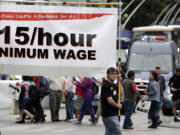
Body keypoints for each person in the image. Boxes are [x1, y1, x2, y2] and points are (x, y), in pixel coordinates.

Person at [101, 67, 122, 135]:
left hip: (112, 114)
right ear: (108, 75)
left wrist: (119, 82)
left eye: (115, 74)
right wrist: (117, 105)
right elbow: (110, 100)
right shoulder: (106, 85)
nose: (114, 75)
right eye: (112, 73)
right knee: (117, 132)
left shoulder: (113, 85)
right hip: (109, 115)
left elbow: (121, 93)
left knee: (109, 133)